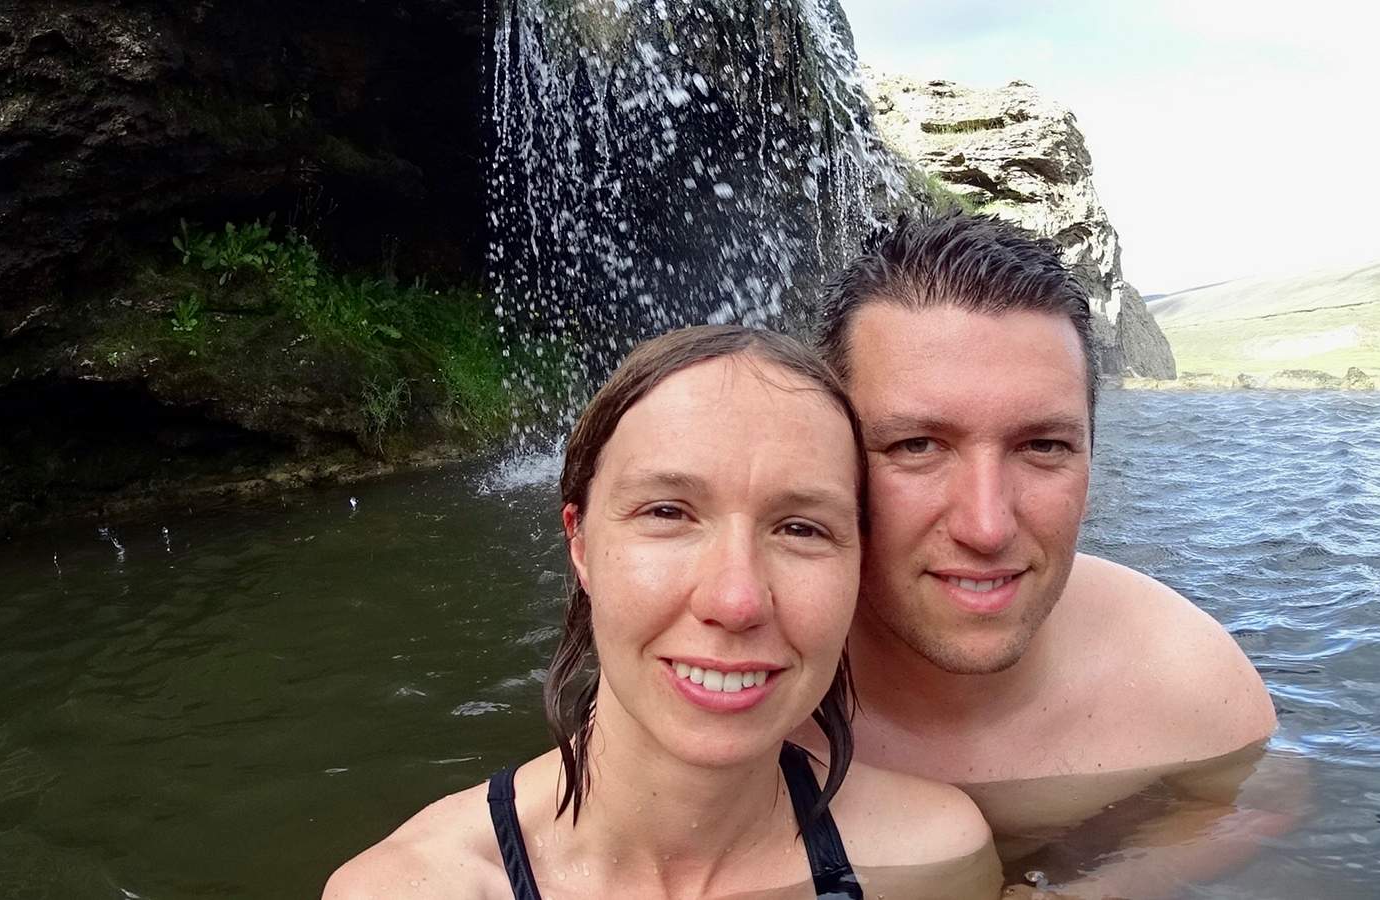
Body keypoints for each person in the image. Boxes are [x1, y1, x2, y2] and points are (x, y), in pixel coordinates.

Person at [324, 325, 1001, 900]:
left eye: (800, 528)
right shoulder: (414, 887)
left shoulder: (934, 862)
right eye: (668, 513)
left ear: (859, 565)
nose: (736, 600)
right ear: (581, 545)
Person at [809, 211, 1296, 897]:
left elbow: (1265, 801)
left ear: (1093, 461)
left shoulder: (1186, 684)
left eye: (1042, 446)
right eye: (916, 446)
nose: (985, 526)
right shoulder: (720, 678)